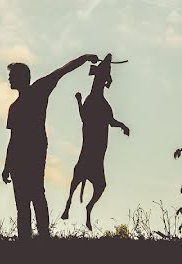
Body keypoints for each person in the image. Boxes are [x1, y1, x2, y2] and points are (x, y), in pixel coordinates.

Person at [2, 53, 100, 239]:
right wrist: (7, 165)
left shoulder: (39, 89)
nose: (9, 79)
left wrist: (85, 58)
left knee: (36, 193)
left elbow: (63, 70)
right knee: (22, 200)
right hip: (19, 156)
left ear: (21, 77)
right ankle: (26, 239)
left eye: (11, 75)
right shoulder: (13, 107)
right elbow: (13, 138)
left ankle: (44, 237)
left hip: (35, 150)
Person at [59, 53, 130, 230]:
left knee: (92, 182)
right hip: (93, 153)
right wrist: (79, 102)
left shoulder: (98, 104)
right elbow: (87, 118)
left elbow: (88, 117)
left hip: (95, 155)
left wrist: (79, 101)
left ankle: (84, 208)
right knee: (96, 183)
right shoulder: (102, 105)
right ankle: (69, 205)